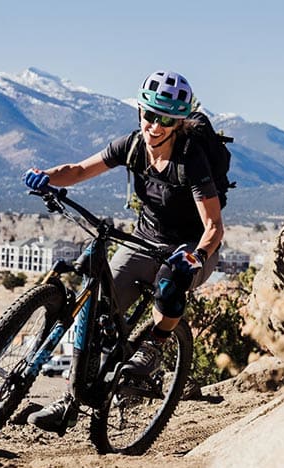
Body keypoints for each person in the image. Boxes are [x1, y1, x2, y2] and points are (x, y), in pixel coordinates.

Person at [23, 70, 224, 433]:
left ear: (178, 123)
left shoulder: (191, 158)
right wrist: (46, 177)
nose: (155, 126)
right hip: (144, 241)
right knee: (95, 312)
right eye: (150, 115)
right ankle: (70, 400)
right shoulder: (131, 146)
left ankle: (157, 345)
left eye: (166, 120)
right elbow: (80, 169)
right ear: (139, 111)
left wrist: (196, 256)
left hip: (188, 250)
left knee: (170, 286)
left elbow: (213, 227)